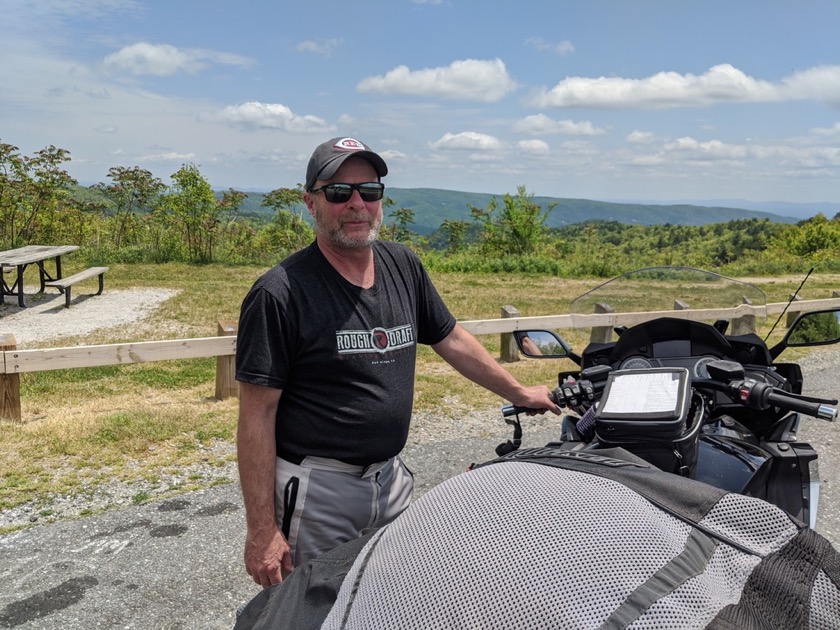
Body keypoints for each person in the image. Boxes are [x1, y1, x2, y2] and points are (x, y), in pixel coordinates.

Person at [235, 136, 559, 589]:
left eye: (369, 191)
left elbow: (452, 339)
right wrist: (262, 531)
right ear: (310, 202)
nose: (356, 204)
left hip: (390, 479)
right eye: (338, 192)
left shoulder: (402, 264)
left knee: (390, 593)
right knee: (311, 605)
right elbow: (256, 413)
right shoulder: (281, 293)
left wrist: (521, 393)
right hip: (317, 491)